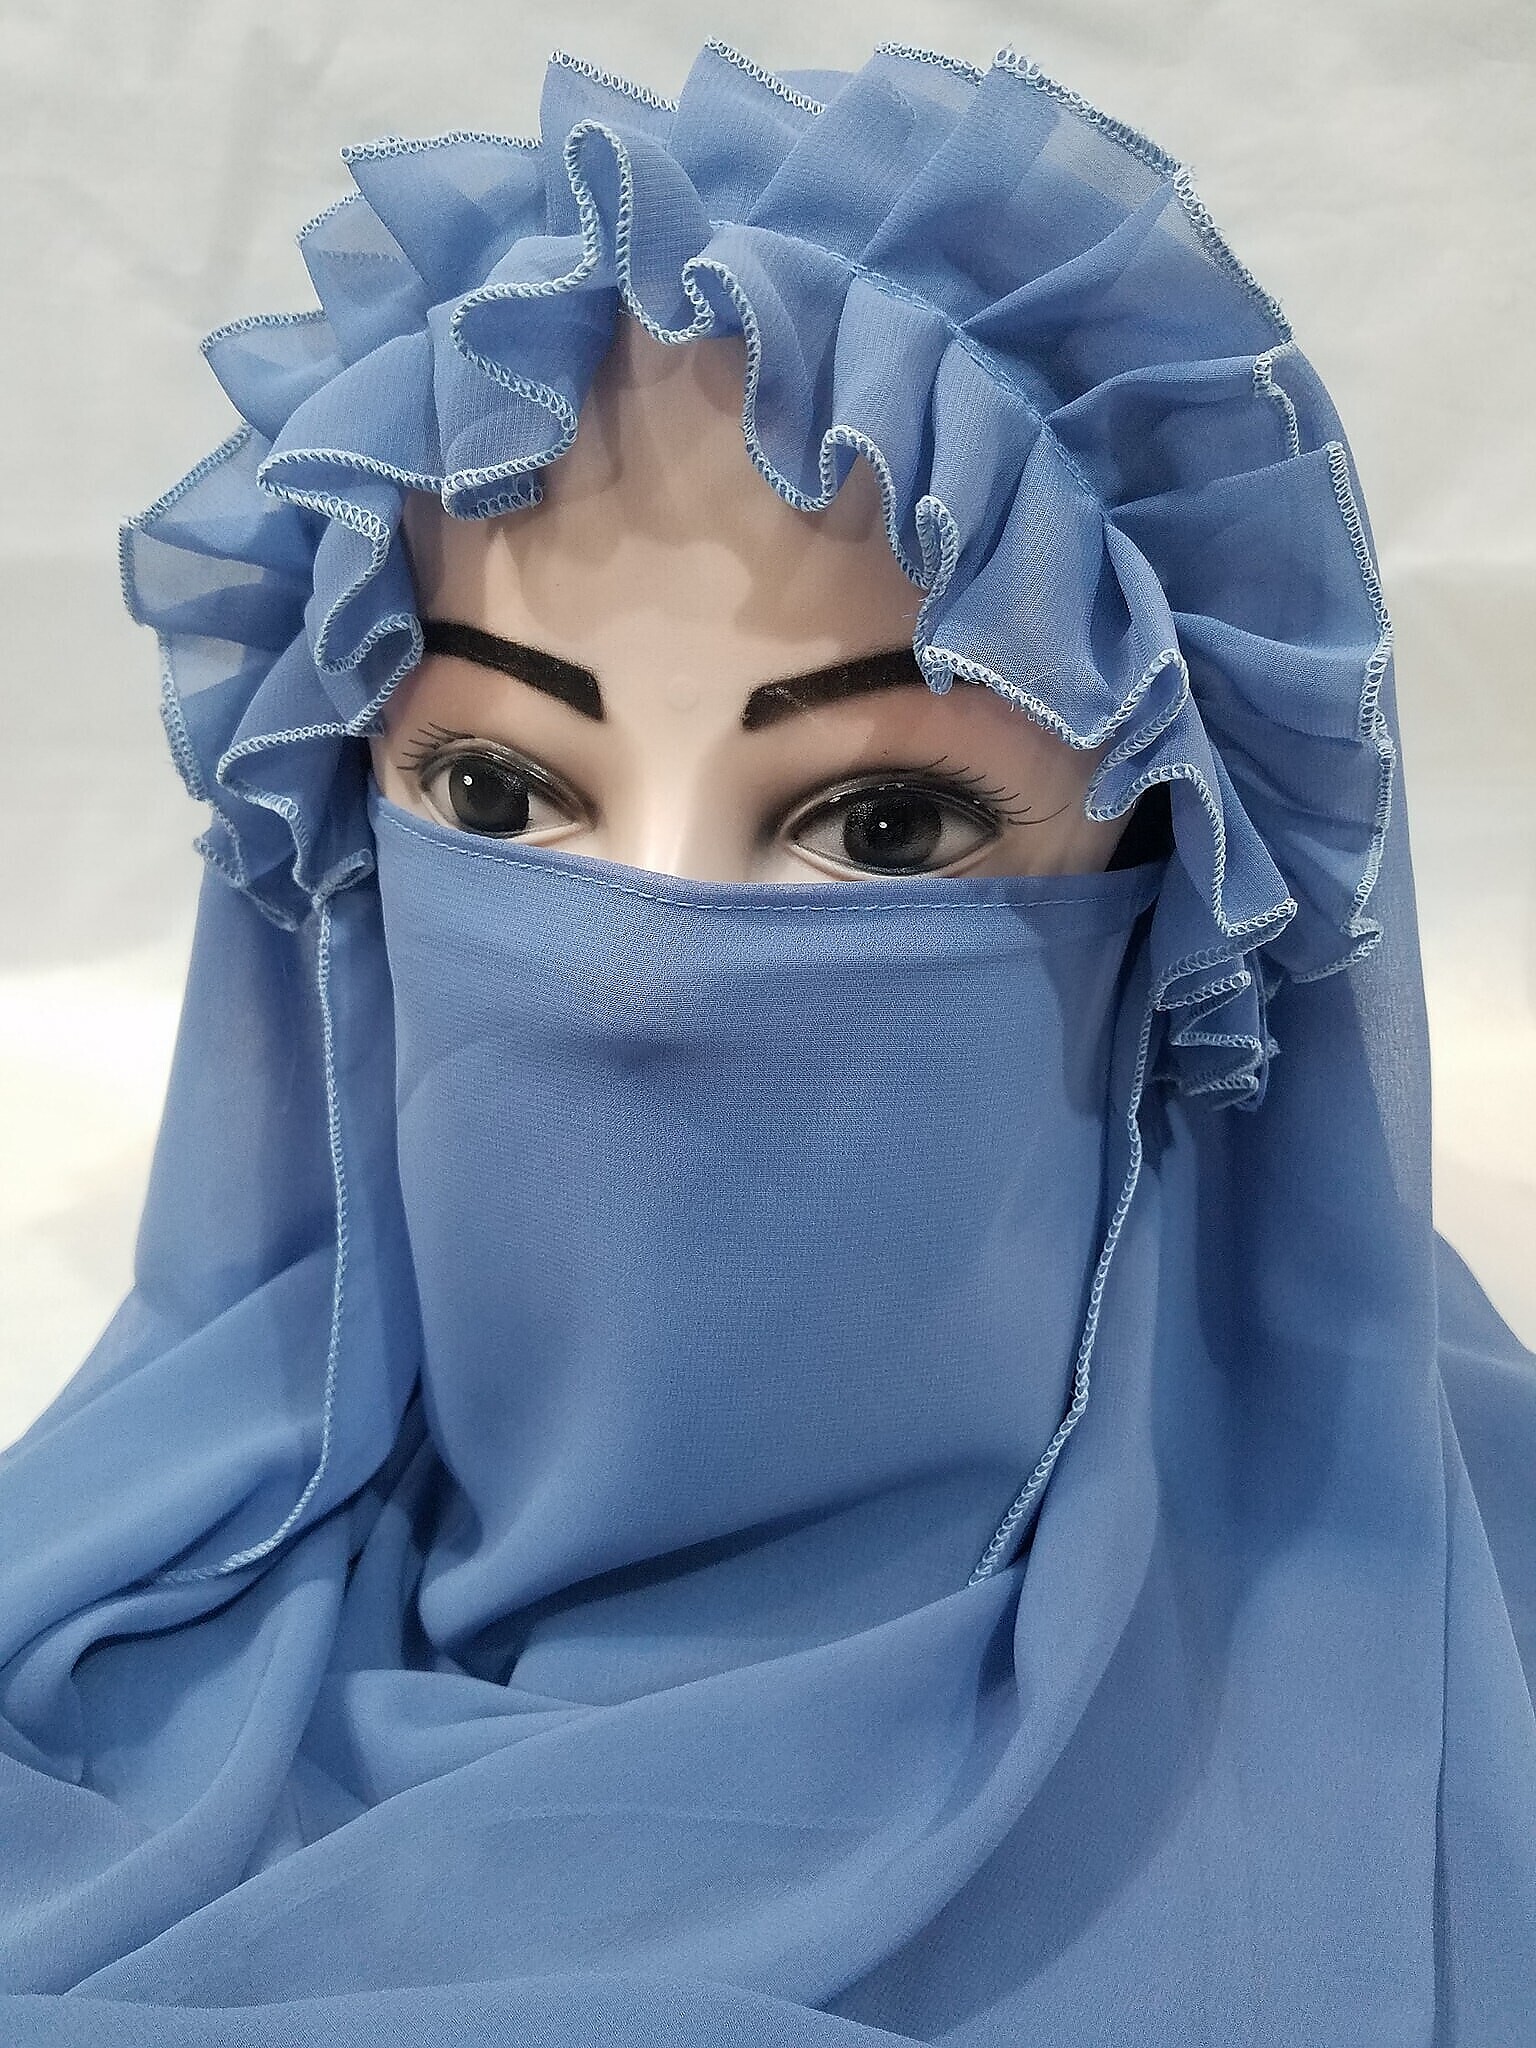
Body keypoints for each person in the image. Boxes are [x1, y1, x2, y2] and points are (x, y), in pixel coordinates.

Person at [2, 38, 1532, 2045]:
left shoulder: (1390, 1670)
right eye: (491, 792)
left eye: (882, 826)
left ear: (1176, 893)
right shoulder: (129, 1610)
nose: (635, 973)